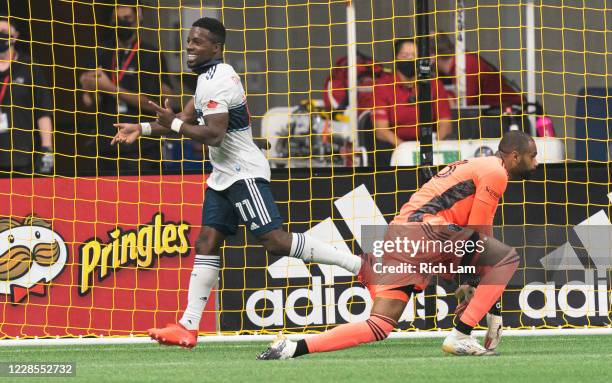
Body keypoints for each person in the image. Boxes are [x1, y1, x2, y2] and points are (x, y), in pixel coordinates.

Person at [111, 17, 363, 348]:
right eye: (189, 40)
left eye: (198, 41)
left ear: (216, 47)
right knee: (206, 242)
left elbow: (213, 135)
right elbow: (185, 120)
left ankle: (359, 265)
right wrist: (142, 129)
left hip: (244, 172)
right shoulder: (205, 79)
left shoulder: (219, 82)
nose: (189, 46)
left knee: (274, 241)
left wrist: (172, 124)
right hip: (223, 176)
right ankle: (188, 326)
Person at [257, 130, 538, 359]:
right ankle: (461, 335)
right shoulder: (495, 171)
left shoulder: (478, 165)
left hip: (402, 235)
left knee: (379, 326)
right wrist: (486, 302)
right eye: (532, 156)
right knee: (506, 260)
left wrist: (472, 286)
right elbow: (479, 235)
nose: (536, 163)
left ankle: (293, 348)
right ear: (515, 156)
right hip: (425, 231)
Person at [79, 1, 172, 174]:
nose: (121, 23)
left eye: (126, 18)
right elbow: (88, 102)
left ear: (138, 18)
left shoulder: (150, 54)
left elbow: (157, 104)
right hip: (107, 144)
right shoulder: (101, 51)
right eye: (117, 19)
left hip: (142, 145)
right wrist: (89, 88)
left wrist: (110, 88)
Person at [371, 39, 452, 165]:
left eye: (414, 55)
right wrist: (405, 149)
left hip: (431, 147)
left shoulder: (434, 85)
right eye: (405, 55)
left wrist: (435, 147)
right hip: (396, 149)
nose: (410, 59)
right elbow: (381, 130)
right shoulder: (383, 87)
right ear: (396, 58)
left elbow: (445, 123)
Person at [0, 16, 54, 175]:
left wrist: (47, 149)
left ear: (15, 35)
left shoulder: (29, 67)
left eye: (4, 32)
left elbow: (43, 111)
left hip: (21, 156)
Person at [434, 33, 523, 108]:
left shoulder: (465, 64)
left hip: (509, 115)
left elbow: (462, 104)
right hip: (494, 115)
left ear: (432, 56)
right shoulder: (457, 66)